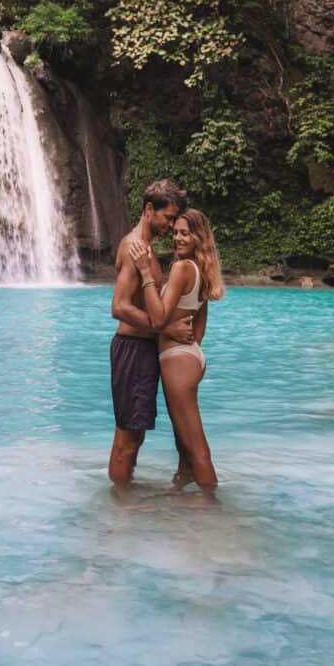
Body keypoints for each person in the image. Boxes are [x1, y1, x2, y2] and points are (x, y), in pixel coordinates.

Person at [128, 209, 225, 493]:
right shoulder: (202, 270)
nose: (178, 238)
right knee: (184, 447)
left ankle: (212, 509)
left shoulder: (183, 269)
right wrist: (183, 347)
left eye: (185, 233)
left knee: (195, 447)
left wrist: (146, 272)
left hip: (176, 361)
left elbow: (158, 317)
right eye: (176, 232)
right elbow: (199, 331)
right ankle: (180, 493)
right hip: (189, 357)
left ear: (199, 237)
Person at [108, 178, 193, 488]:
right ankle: (119, 506)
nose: (171, 226)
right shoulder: (135, 248)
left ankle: (123, 498)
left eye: (175, 219)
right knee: (128, 439)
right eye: (167, 217)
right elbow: (119, 307)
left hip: (140, 350)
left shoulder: (144, 250)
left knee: (135, 434)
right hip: (132, 348)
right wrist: (165, 326)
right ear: (148, 209)